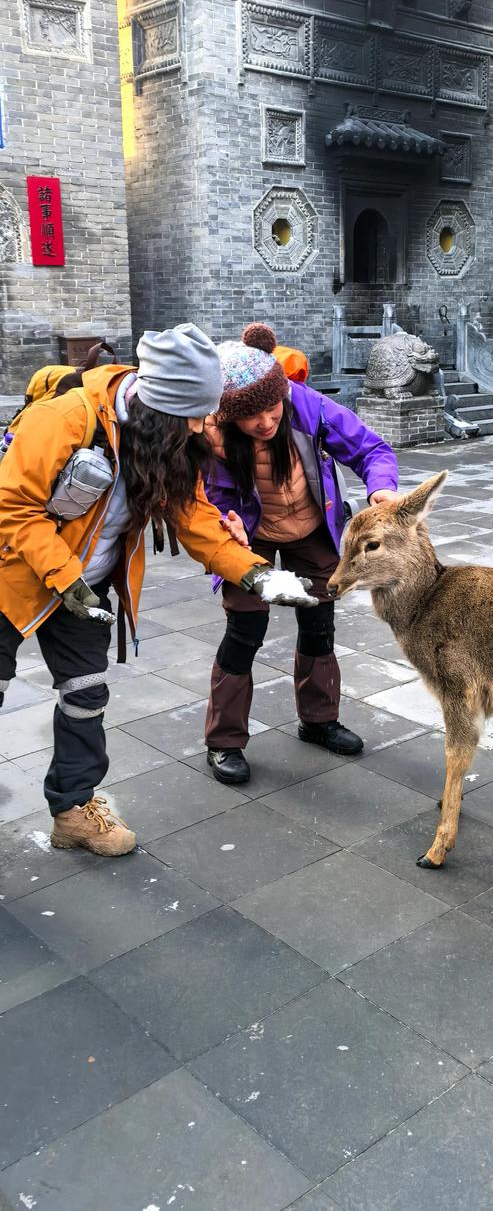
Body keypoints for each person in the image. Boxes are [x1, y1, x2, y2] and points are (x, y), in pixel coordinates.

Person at [0, 324, 316, 856]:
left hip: (89, 586)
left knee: (84, 695)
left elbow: (194, 518)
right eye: (192, 416)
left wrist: (256, 573)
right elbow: (11, 505)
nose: (200, 428)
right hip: (14, 575)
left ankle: (74, 811)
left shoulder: (168, 442)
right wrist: (63, 575)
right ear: (158, 406)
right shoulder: (63, 420)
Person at [202, 322, 399, 785]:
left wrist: (382, 490)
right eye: (252, 418)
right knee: (244, 630)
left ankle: (319, 719)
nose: (267, 423)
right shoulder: (211, 435)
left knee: (319, 624)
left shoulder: (306, 405)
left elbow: (370, 448)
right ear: (230, 416)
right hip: (251, 534)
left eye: (273, 410)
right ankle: (224, 741)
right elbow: (208, 498)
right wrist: (225, 523)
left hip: (310, 526)